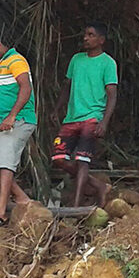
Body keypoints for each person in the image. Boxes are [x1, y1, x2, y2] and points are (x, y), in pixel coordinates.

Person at [51, 22, 117, 207]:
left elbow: (112, 94)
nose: (85, 38)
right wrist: (57, 109)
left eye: (91, 35)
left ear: (101, 40)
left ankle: (76, 204)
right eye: (85, 35)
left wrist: (104, 121)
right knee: (59, 158)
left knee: (82, 160)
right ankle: (98, 185)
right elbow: (67, 86)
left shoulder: (108, 63)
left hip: (92, 117)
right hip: (72, 118)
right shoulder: (76, 59)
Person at [0, 31, 37, 228]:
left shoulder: (15, 60)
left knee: (4, 163)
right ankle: (22, 199)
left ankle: (1, 212)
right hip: (6, 123)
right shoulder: (2, 65)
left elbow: (26, 88)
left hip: (19, 119)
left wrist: (12, 116)